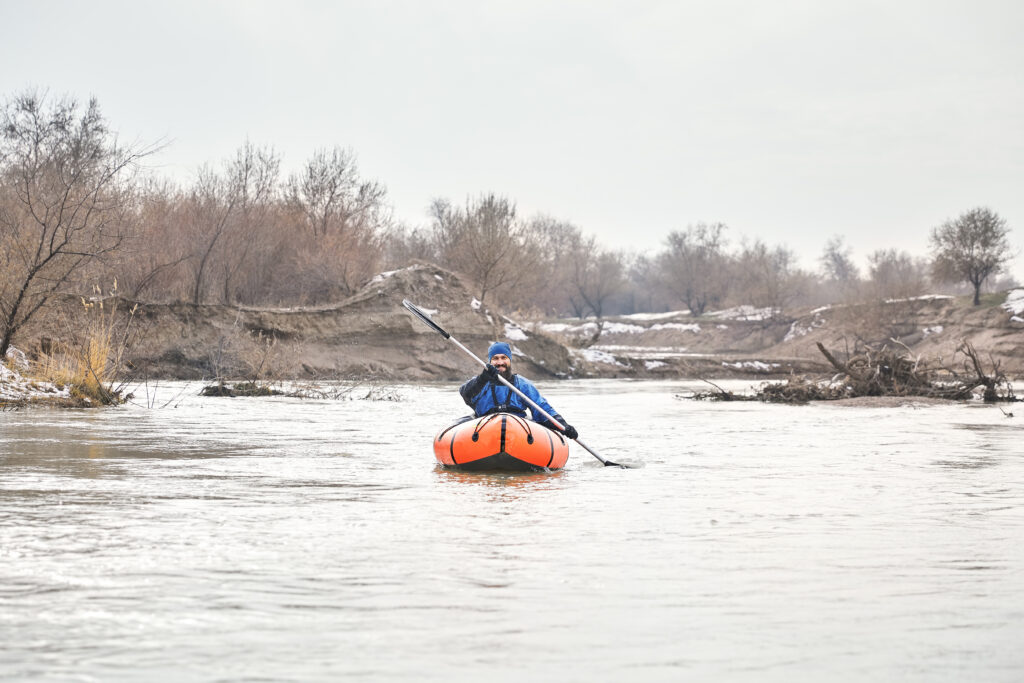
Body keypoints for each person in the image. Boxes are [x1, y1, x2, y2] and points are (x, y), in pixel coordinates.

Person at [459, 341, 578, 439]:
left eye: (504, 358)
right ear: (490, 362)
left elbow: (542, 408)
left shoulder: (522, 385)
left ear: (509, 360)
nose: (500, 362)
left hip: (518, 433)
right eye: (495, 358)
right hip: (484, 431)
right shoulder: (481, 381)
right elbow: (465, 394)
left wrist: (563, 426)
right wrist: (482, 379)